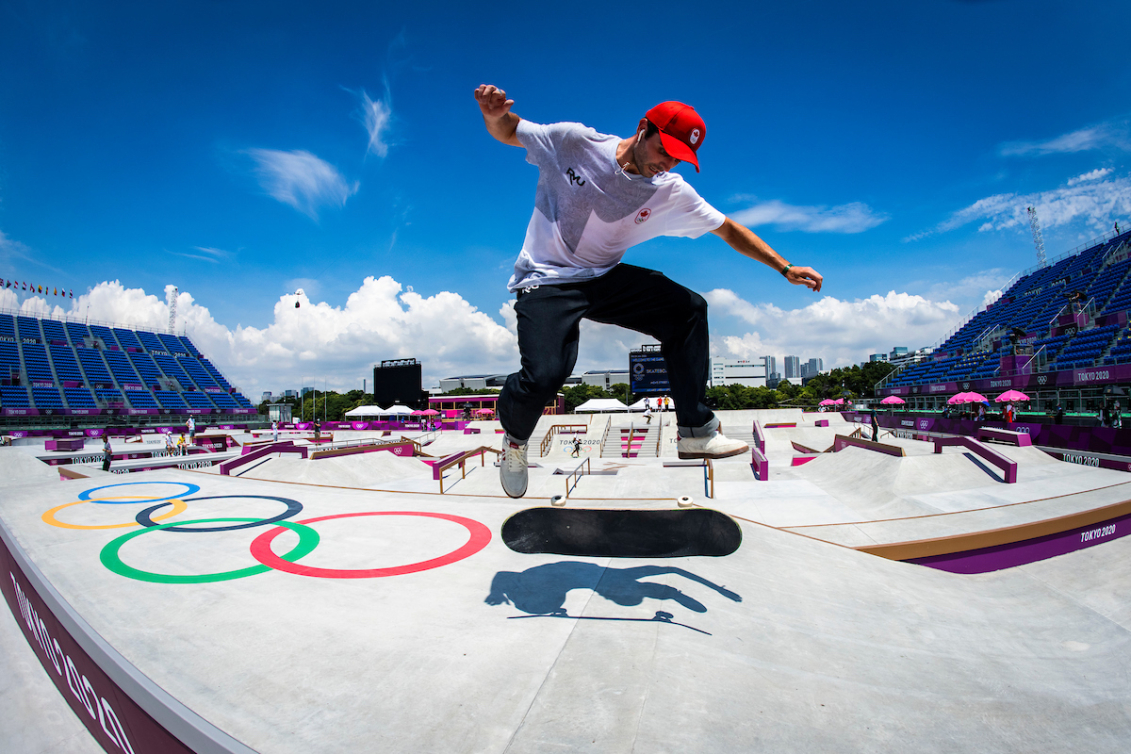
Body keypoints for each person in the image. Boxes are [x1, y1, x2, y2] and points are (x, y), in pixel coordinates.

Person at [475, 84, 823, 498]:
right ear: (643, 128)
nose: (667, 163)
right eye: (664, 150)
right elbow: (511, 130)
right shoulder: (575, 142)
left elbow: (728, 229)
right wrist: (494, 114)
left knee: (688, 309)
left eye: (678, 157)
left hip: (603, 277)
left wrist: (783, 267)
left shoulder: (671, 191)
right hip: (546, 279)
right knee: (547, 374)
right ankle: (514, 438)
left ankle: (694, 428)